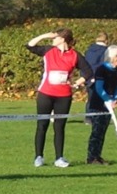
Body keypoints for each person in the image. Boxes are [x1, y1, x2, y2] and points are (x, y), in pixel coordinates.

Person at [27, 30, 79, 167]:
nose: (53, 40)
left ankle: (59, 158)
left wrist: (76, 83)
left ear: (63, 39)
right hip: (46, 94)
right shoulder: (48, 50)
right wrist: (43, 35)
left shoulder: (74, 55)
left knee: (59, 127)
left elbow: (88, 72)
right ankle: (39, 157)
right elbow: (30, 46)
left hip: (64, 96)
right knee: (42, 125)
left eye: (55, 38)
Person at [83, 35, 117, 165]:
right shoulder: (101, 69)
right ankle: (91, 157)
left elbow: (116, 87)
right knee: (97, 132)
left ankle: (98, 156)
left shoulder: (116, 70)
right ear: (111, 56)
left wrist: (115, 98)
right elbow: (99, 87)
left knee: (103, 131)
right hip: (98, 104)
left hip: (109, 104)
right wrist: (106, 99)